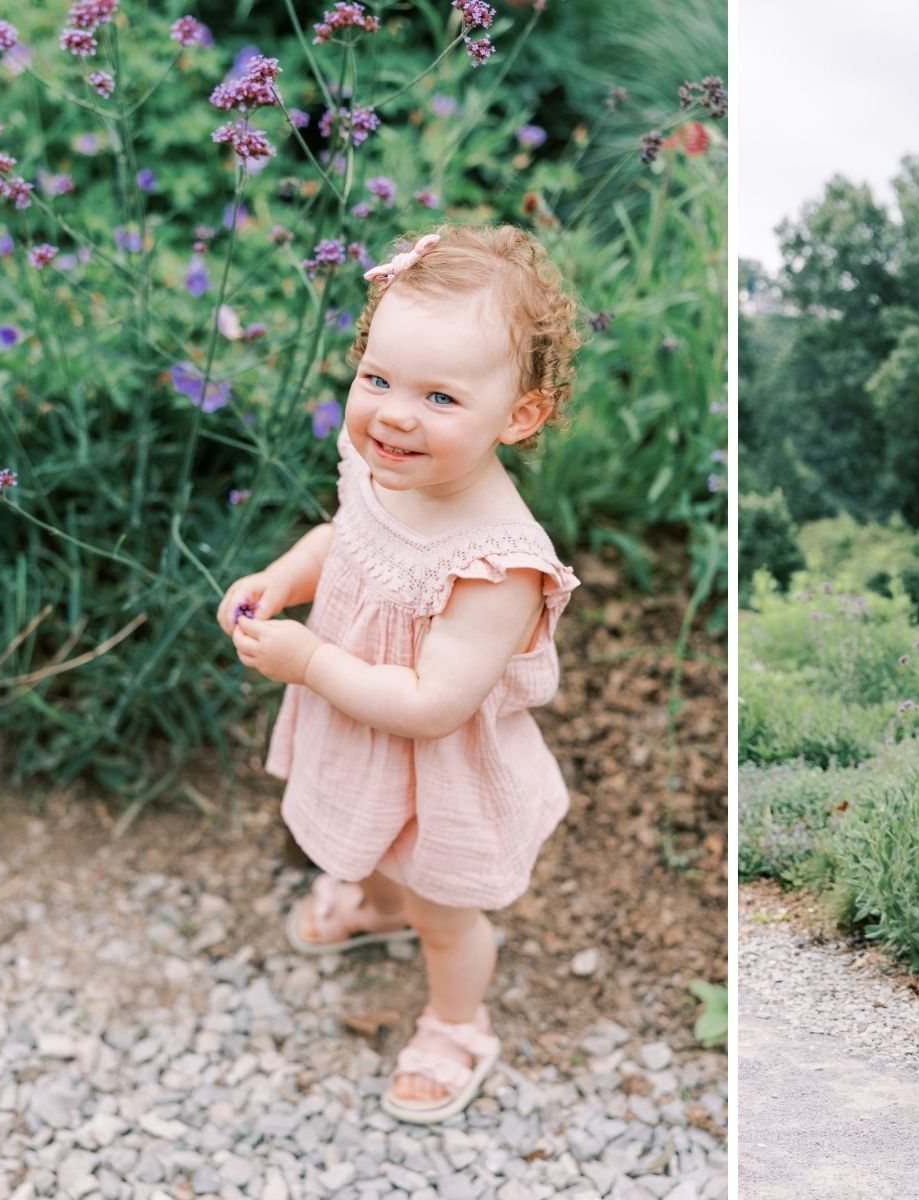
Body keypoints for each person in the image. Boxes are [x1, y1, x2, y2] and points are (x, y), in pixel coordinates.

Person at [215, 225, 582, 1125]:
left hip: (437, 766)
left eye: (440, 395)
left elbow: (430, 707)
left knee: (442, 909)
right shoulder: (387, 470)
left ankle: (457, 1025)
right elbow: (346, 539)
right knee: (360, 828)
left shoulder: (498, 562)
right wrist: (285, 579)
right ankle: (371, 902)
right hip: (355, 723)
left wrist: (306, 660)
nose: (393, 414)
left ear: (521, 415)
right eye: (377, 379)